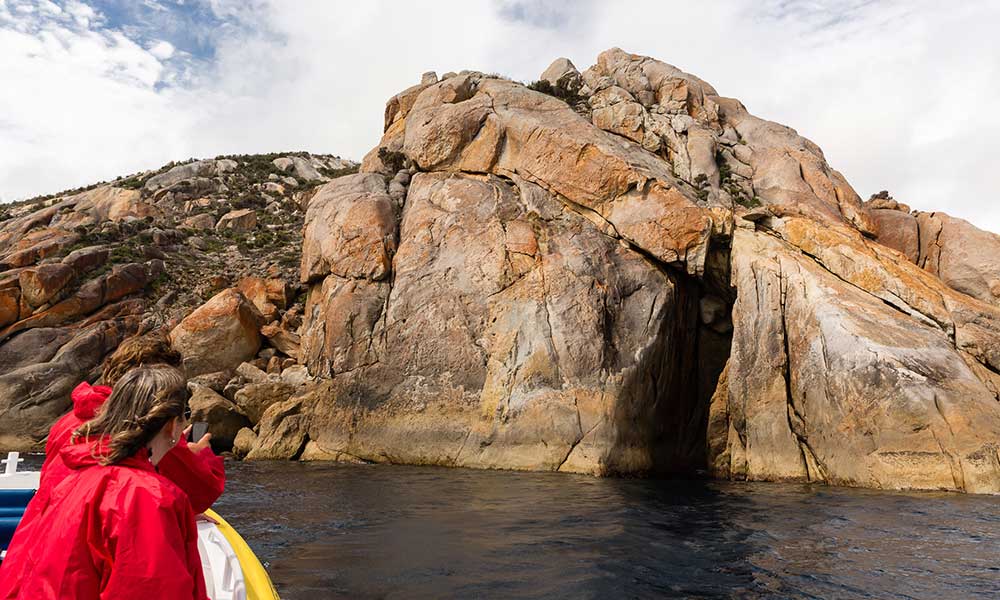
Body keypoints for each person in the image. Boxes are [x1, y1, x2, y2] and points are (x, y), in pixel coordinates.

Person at [0, 365, 210, 599]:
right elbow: (151, 589)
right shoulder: (148, 498)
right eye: (185, 416)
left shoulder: (74, 479)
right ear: (172, 425)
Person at [34, 330, 224, 517]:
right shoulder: (146, 425)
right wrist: (200, 453)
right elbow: (202, 493)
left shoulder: (66, 422)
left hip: (49, 521)